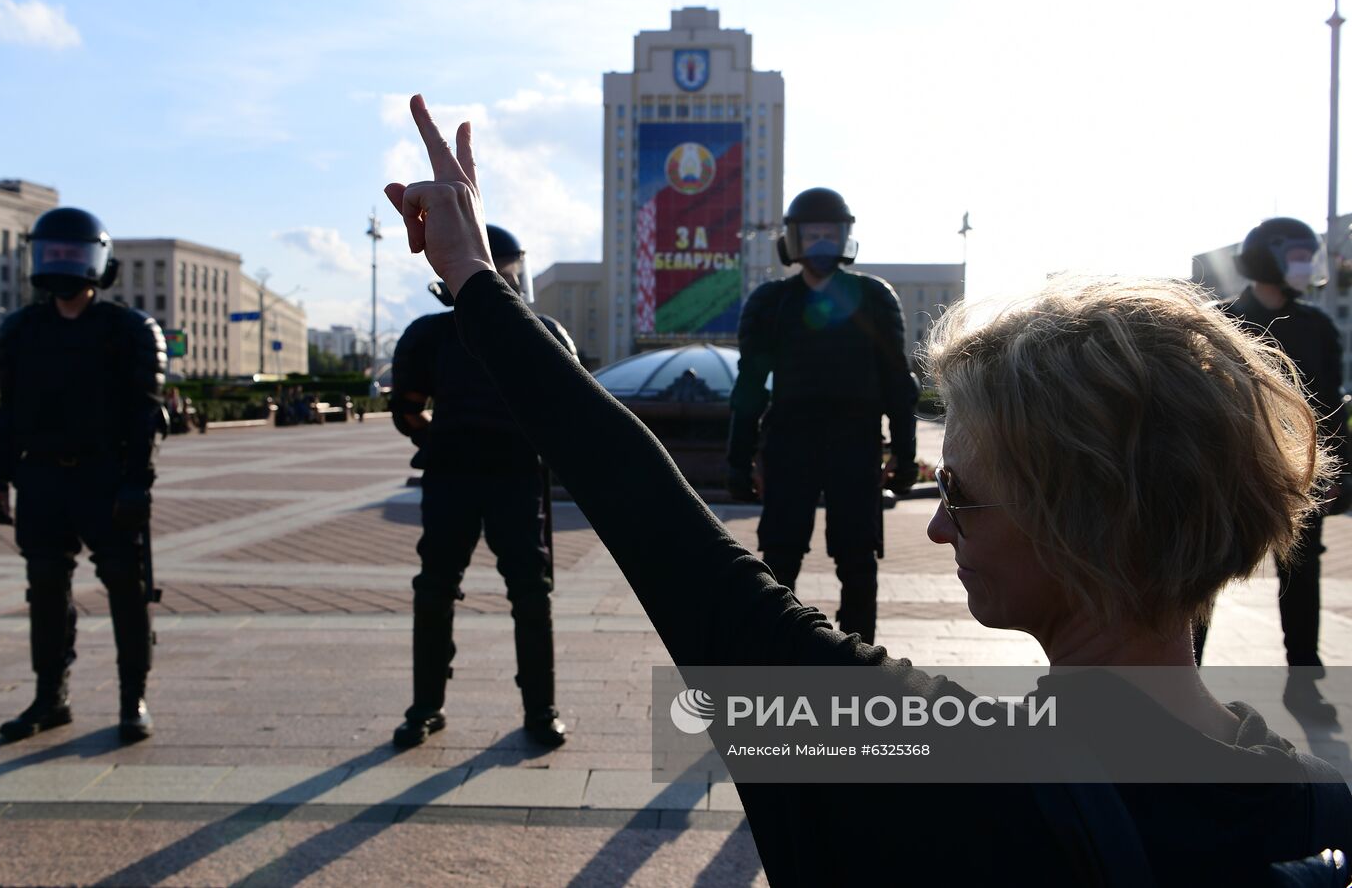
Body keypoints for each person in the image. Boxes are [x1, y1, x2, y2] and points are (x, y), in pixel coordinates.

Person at [383, 95, 1352, 884]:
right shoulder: (1318, 820)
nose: (934, 532)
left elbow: (659, 523)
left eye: (961, 497)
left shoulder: (920, 777)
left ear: (1072, 523)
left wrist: (472, 278)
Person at [0, 206, 167, 744]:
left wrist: (136, 483)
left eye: (72, 254)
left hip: (105, 478)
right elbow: (7, 413)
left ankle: (133, 697)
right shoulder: (20, 330)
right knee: (45, 588)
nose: (62, 264)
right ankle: (50, 697)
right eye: (52, 253)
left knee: (125, 589)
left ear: (98, 263)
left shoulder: (129, 330)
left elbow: (145, 415)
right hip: (41, 480)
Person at [387, 223, 575, 750]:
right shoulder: (430, 336)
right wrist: (450, 438)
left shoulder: (542, 331)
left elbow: (566, 410)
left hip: (515, 476)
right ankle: (427, 705)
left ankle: (540, 707)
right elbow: (406, 410)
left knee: (531, 594)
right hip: (454, 477)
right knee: (436, 589)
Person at [725, 187, 919, 644]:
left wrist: (905, 456)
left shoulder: (874, 297)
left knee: (858, 561)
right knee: (777, 560)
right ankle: (771, 661)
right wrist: (739, 457)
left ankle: (859, 671)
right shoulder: (770, 302)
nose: (821, 244)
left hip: (856, 446)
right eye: (811, 235)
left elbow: (898, 383)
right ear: (793, 240)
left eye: (829, 234)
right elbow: (749, 386)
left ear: (846, 236)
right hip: (790, 445)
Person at [1194, 217, 1352, 724]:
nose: (1309, 268)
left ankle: (1303, 684)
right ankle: (1182, 680)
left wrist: (1337, 474)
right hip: (1225, 474)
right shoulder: (1221, 322)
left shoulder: (1319, 328)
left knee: (1302, 578)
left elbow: (1328, 406)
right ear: (1270, 259)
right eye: (1301, 257)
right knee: (1201, 574)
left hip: (1297, 478)